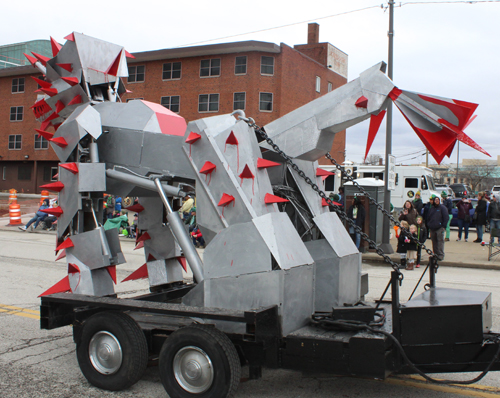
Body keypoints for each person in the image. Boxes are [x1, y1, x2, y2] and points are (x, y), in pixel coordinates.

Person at [427, 195, 448, 261]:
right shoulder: (432, 208)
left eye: (437, 200)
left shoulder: (442, 208)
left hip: (439, 228)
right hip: (432, 228)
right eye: (435, 200)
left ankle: (440, 254)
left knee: (440, 241)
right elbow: (428, 217)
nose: (436, 201)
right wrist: (429, 224)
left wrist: (444, 226)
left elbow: (446, 217)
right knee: (434, 242)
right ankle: (435, 254)